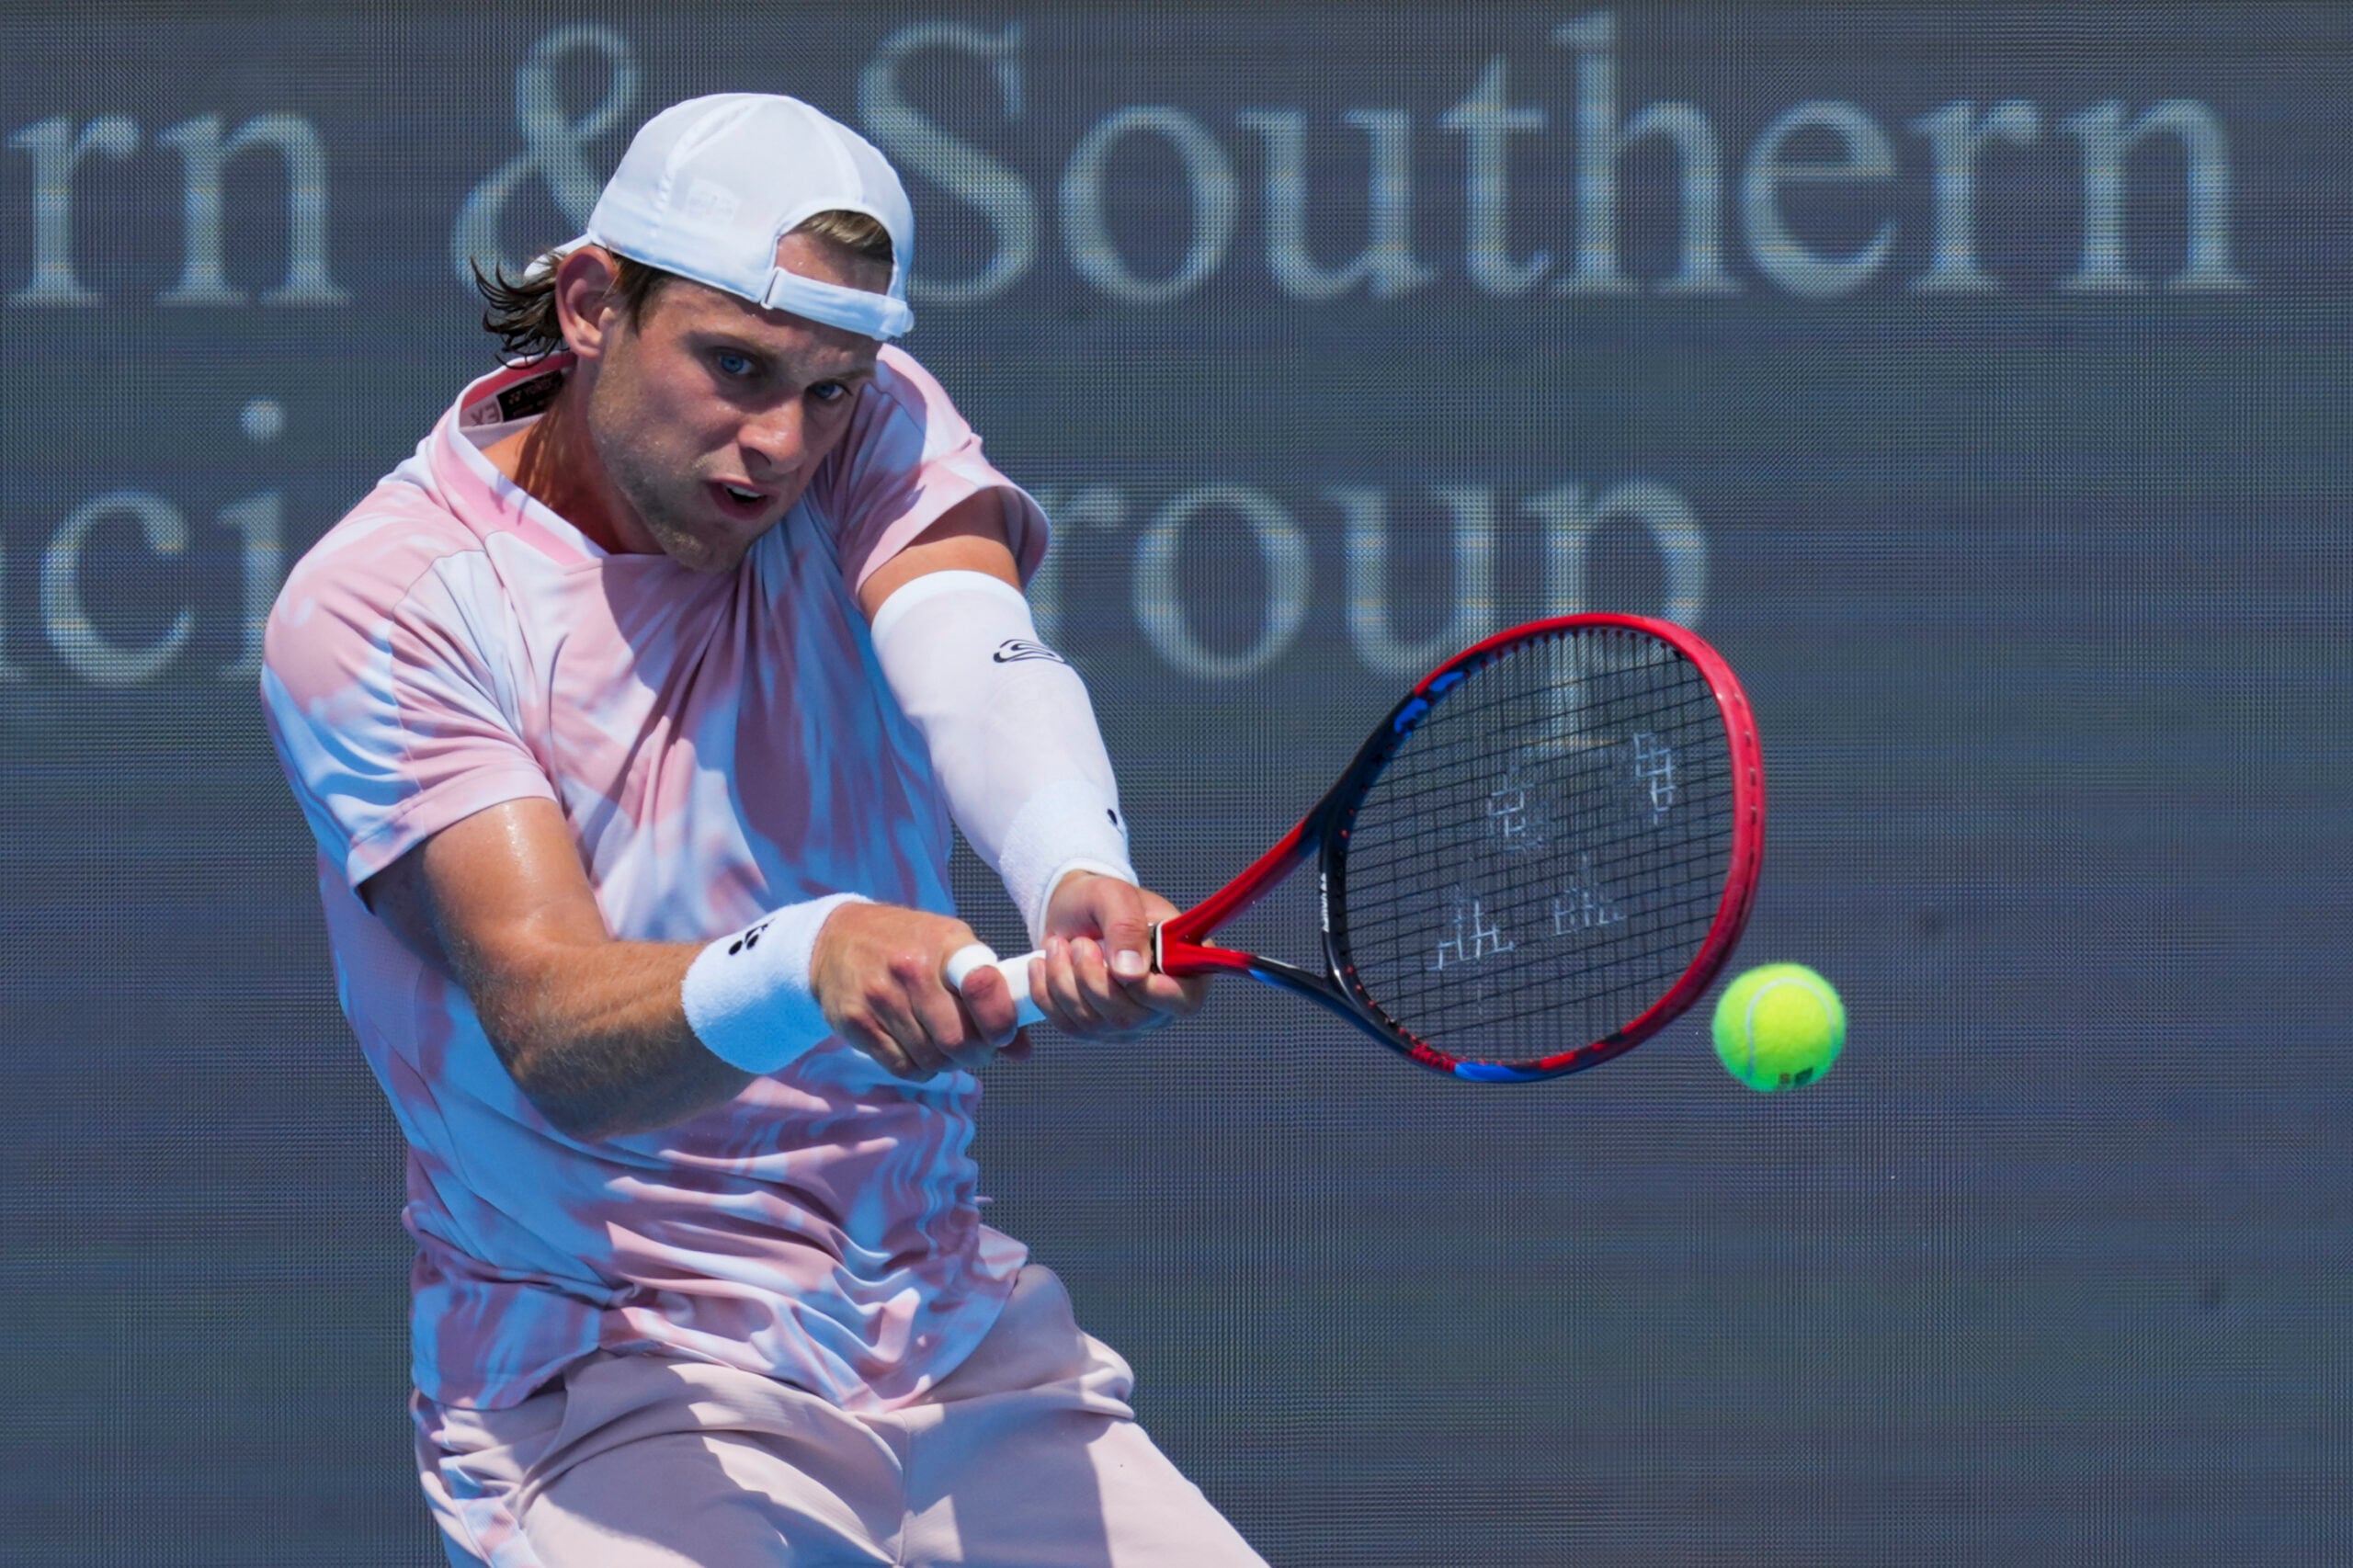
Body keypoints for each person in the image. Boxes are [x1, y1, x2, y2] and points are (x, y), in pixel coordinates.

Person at [261, 93, 1267, 1566]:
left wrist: (1074, 870)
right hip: (611, 1376)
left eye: (832, 388)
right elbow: (552, 1028)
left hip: (939, 1324)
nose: (781, 441)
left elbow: (976, 655)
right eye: (733, 367)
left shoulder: (869, 423)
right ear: (593, 302)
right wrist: (811, 957)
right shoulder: (386, 606)